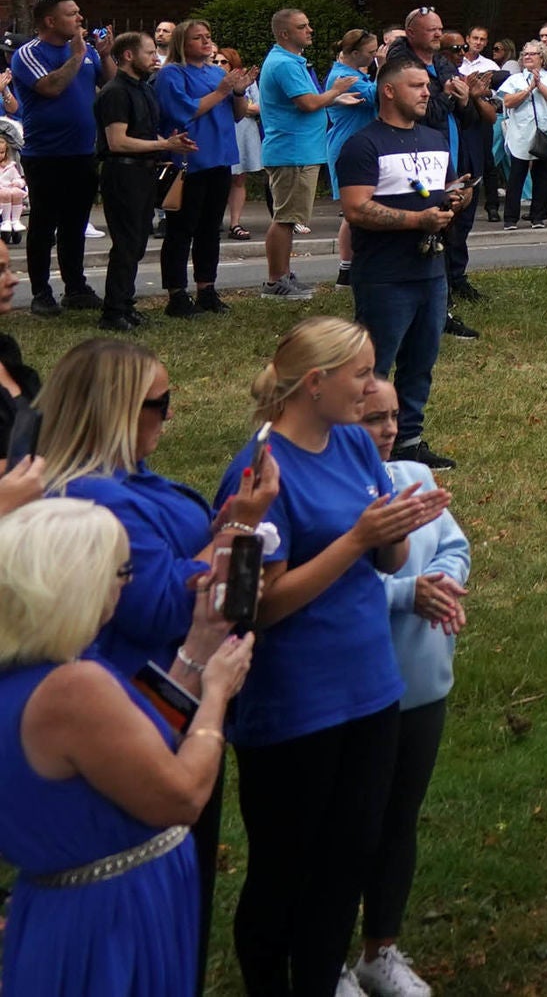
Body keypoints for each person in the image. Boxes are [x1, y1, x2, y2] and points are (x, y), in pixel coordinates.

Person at [218, 320, 449, 997]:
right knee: (285, 871)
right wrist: (357, 539)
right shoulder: (261, 469)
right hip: (296, 706)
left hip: (371, 690)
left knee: (347, 862)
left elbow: (386, 552)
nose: (375, 388)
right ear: (315, 383)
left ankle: (320, 980)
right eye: (362, 374)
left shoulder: (351, 442)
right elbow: (258, 606)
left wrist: (396, 530)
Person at [0, 499, 253, 997]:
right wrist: (217, 697)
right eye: (120, 570)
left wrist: (199, 647)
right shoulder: (74, 688)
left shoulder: (40, 673)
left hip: (59, 908)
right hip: (113, 916)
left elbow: (133, 742)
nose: (125, 583)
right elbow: (181, 797)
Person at [344, 374, 467, 997]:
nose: (389, 429)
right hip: (359, 691)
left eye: (393, 417)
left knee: (399, 821)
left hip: (421, 681)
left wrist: (443, 578)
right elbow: (335, 586)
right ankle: (329, 954)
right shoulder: (339, 496)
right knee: (348, 827)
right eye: (373, 418)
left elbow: (454, 544)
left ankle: (380, 949)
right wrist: (405, 594)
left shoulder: (413, 481)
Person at [336, 55, 469, 470]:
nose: (426, 92)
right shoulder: (363, 145)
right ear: (389, 91)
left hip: (431, 271)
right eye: (416, 86)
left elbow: (433, 194)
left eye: (427, 86)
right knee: (374, 365)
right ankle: (359, 445)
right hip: (384, 275)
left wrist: (452, 200)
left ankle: (408, 440)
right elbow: (357, 209)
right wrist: (418, 220)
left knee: (421, 362)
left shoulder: (434, 138)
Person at [88, 33, 181, 335]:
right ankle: (113, 311)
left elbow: (142, 135)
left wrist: (168, 146)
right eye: (150, 52)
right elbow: (117, 142)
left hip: (143, 172)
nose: (156, 57)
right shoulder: (115, 92)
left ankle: (125, 304)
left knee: (139, 241)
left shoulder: (144, 89)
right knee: (127, 243)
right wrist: (163, 143)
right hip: (122, 173)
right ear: (128, 55)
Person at [13, 0, 102, 315]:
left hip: (82, 151)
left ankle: (75, 287)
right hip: (46, 155)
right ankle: (41, 291)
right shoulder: (29, 54)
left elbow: (109, 83)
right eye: (72, 14)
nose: (80, 18)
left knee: (75, 224)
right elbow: (50, 87)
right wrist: (78, 55)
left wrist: (104, 56)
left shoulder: (87, 51)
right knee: (43, 224)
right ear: (50, 21)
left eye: (79, 12)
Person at [149, 21, 242, 319]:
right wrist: (221, 91)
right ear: (182, 43)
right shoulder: (171, 74)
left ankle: (207, 289)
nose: (205, 42)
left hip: (220, 157)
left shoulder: (217, 72)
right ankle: (176, 294)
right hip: (189, 161)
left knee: (210, 229)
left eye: (208, 37)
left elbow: (238, 115)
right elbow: (185, 111)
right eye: (197, 38)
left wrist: (237, 92)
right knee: (181, 229)